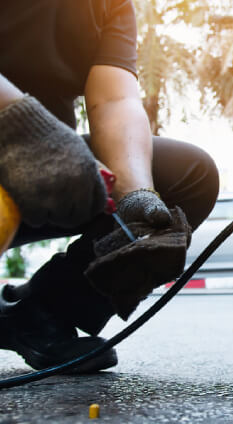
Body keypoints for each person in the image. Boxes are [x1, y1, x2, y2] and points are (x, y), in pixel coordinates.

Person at [0, 0, 219, 372]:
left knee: (188, 175)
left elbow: (115, 99)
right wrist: (20, 126)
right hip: (27, 152)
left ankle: (38, 314)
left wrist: (136, 196)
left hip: (46, 174)